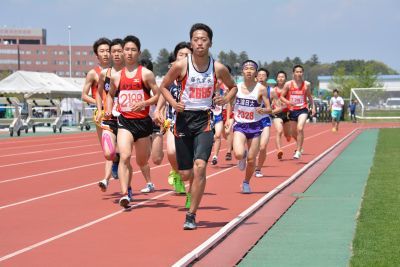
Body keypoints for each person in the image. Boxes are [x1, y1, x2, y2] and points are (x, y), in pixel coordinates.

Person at [159, 23, 237, 230]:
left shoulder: (217, 67)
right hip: (183, 120)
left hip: (205, 120)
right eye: (196, 39)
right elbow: (163, 87)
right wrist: (173, 103)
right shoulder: (181, 65)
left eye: (203, 39)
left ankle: (191, 214)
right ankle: (188, 181)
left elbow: (233, 87)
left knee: (201, 166)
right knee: (186, 173)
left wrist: (225, 98)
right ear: (191, 42)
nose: (200, 43)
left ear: (210, 42)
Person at [105, 35, 159, 208]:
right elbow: (110, 95)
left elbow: (159, 94)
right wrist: (107, 108)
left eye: (132, 50)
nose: (128, 53)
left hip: (143, 123)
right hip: (125, 122)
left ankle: (138, 179)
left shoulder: (146, 74)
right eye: (126, 49)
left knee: (142, 161)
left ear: (139, 52)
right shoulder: (116, 77)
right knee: (125, 156)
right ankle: (125, 192)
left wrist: (145, 102)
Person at [154, 42, 192, 195]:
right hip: (173, 121)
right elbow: (164, 94)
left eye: (187, 55)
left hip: (192, 122)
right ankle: (176, 172)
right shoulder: (171, 77)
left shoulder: (196, 78)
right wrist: (158, 110)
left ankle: (186, 176)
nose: (183, 57)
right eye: (180, 55)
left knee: (190, 160)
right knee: (171, 152)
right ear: (175, 59)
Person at [232, 60, 272, 191]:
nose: (249, 70)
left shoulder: (261, 89)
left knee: (251, 159)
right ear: (242, 71)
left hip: (255, 126)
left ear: (256, 72)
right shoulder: (236, 87)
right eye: (246, 68)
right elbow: (229, 102)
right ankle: (241, 156)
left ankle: (246, 183)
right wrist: (228, 119)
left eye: (252, 68)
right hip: (240, 125)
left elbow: (269, 108)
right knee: (238, 154)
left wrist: (264, 110)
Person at [81, 37, 113, 186]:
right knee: (108, 150)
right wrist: (100, 104)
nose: (106, 54)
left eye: (108, 51)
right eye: (102, 51)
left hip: (119, 114)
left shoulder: (118, 71)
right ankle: (106, 179)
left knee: (119, 149)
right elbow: (84, 95)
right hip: (101, 115)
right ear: (96, 55)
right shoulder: (93, 73)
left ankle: (115, 169)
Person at [95, 38, 124, 192]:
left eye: (120, 51)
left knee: (125, 155)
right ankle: (110, 170)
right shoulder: (104, 74)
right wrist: (100, 109)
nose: (116, 54)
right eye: (114, 52)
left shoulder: (130, 73)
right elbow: (100, 93)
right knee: (108, 152)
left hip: (128, 119)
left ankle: (127, 189)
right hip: (109, 117)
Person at [280, 65, 316, 159]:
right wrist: (288, 102)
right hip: (292, 110)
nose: (299, 73)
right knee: (293, 133)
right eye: (297, 72)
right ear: (293, 73)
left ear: (303, 73)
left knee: (300, 128)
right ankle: (300, 145)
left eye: (300, 72)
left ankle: (298, 151)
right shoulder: (288, 84)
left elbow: (310, 97)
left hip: (303, 109)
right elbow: (282, 97)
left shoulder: (306, 84)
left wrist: (313, 107)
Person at [254, 68, 276, 178]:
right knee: (253, 147)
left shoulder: (270, 91)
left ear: (267, 77)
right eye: (259, 75)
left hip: (265, 119)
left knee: (263, 146)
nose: (261, 76)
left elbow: (278, 105)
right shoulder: (250, 89)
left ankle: (258, 169)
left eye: (264, 75)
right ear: (256, 77)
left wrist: (269, 111)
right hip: (252, 120)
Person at [271, 71, 291, 159]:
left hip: (287, 113)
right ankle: (279, 150)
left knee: (287, 134)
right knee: (279, 131)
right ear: (276, 79)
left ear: (285, 79)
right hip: (277, 113)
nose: (280, 78)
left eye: (282, 77)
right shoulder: (273, 90)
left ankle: (288, 135)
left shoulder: (289, 90)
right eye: (279, 77)